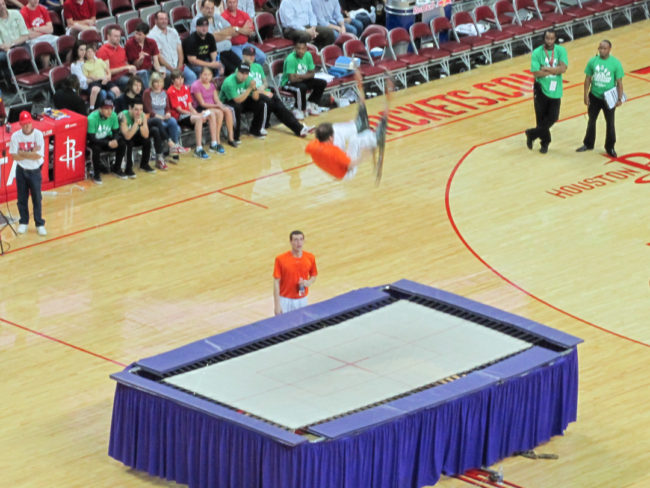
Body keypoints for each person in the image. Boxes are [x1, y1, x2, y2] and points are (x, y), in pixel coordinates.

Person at [305, 71, 389, 180]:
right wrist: (364, 156)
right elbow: (350, 165)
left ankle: (357, 126)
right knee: (355, 140)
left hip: (333, 163)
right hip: (346, 173)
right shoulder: (335, 153)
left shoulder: (312, 145)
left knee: (335, 128)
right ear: (330, 138)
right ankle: (375, 139)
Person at [241, 46, 313, 138]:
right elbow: (246, 88)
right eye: (249, 55)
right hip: (251, 95)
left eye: (253, 55)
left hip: (263, 92)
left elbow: (265, 82)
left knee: (278, 104)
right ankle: (260, 127)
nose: (252, 57)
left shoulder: (258, 66)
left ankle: (299, 129)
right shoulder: (241, 69)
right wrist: (262, 91)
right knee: (272, 101)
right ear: (243, 56)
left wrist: (263, 87)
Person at [575, 40, 624, 158]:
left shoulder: (615, 63)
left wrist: (619, 98)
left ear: (610, 49)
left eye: (604, 48)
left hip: (609, 98)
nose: (601, 50)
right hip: (595, 96)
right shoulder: (592, 61)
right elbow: (587, 79)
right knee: (591, 121)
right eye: (600, 48)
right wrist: (585, 95)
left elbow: (619, 83)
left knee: (610, 123)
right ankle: (588, 144)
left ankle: (610, 147)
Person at [524, 29, 568, 154]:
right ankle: (545, 143)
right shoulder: (537, 53)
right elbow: (536, 72)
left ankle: (531, 133)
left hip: (555, 89)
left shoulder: (561, 50)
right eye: (547, 38)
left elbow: (563, 68)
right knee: (541, 118)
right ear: (544, 38)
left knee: (553, 117)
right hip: (541, 88)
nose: (549, 41)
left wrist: (547, 69)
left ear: (555, 39)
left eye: (552, 38)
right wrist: (555, 70)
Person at [167, 68, 219, 159]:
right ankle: (198, 149)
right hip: (180, 117)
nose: (181, 81)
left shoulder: (186, 88)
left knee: (211, 114)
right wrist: (197, 115)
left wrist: (197, 113)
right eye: (178, 79)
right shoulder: (171, 91)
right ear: (173, 80)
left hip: (189, 115)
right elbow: (179, 110)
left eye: (182, 78)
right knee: (199, 118)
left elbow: (190, 106)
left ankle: (214, 143)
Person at [10, 111, 47, 236]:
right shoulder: (15, 136)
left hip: (35, 171)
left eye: (29, 123)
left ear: (32, 122)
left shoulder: (38, 135)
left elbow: (38, 155)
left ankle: (39, 224)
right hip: (21, 171)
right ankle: (24, 222)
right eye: (24, 124)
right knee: (22, 198)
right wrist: (31, 152)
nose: (27, 126)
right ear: (20, 124)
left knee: (37, 198)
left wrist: (24, 153)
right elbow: (15, 157)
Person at [143, 71, 190, 165]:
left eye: (160, 82)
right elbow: (148, 110)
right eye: (156, 82)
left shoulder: (164, 92)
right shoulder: (147, 93)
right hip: (154, 119)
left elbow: (167, 108)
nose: (159, 84)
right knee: (161, 124)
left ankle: (174, 151)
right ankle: (174, 147)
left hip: (164, 117)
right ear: (152, 83)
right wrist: (161, 117)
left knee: (172, 121)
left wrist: (168, 114)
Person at [190, 66, 235, 153]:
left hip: (213, 106)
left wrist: (221, 105)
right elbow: (202, 103)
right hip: (201, 108)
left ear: (212, 76)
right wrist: (218, 107)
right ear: (200, 75)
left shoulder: (212, 85)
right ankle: (216, 140)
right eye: (205, 75)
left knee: (227, 110)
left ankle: (231, 138)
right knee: (219, 112)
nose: (207, 77)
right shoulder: (196, 85)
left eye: (209, 75)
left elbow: (216, 99)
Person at [281, 37, 328, 120]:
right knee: (301, 87)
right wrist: (306, 75)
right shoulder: (290, 59)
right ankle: (298, 109)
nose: (301, 51)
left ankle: (310, 104)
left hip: (301, 80)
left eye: (303, 49)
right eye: (298, 48)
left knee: (322, 83)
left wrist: (300, 76)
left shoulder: (308, 55)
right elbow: (292, 79)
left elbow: (312, 74)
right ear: (295, 48)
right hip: (287, 83)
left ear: (306, 48)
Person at [190, 0, 241, 75]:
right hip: (210, 54)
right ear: (201, 8)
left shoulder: (216, 16)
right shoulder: (197, 20)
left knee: (241, 66)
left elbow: (232, 30)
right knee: (234, 71)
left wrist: (218, 34)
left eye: (212, 8)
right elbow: (209, 39)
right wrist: (225, 36)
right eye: (207, 8)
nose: (210, 11)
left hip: (226, 50)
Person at [273, 230, 317, 315]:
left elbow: (314, 275)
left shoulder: (310, 257)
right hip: (285, 299)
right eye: (296, 240)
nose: (299, 243)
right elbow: (276, 282)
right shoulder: (280, 259)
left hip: (302, 298)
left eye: (301, 239)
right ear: (291, 242)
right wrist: (277, 305)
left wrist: (308, 282)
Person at [147, 11, 197, 85]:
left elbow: (180, 50)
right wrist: (172, 69)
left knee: (192, 76)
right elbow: (159, 57)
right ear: (156, 21)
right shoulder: (151, 35)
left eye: (166, 19)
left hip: (178, 65)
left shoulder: (173, 31)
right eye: (161, 19)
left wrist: (179, 66)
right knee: (171, 79)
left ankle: (185, 94)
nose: (164, 21)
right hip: (165, 68)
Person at [219, 63, 266, 140]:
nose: (244, 76)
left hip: (242, 99)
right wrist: (249, 89)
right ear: (237, 72)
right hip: (226, 102)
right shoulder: (229, 82)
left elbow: (256, 98)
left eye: (246, 73)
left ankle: (255, 130)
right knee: (237, 108)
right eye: (242, 73)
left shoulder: (249, 79)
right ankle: (235, 136)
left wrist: (254, 89)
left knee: (260, 104)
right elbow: (237, 100)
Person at [86, 98, 125, 184]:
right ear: (100, 109)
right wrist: (108, 143)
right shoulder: (92, 118)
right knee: (95, 149)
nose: (109, 111)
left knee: (122, 143)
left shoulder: (114, 115)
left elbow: (116, 132)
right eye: (106, 109)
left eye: (111, 109)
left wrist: (115, 140)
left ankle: (116, 168)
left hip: (106, 138)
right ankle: (96, 174)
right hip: (94, 141)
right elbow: (91, 138)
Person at [221, 0, 266, 65]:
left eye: (234, 2)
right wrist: (243, 29)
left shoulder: (243, 14)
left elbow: (250, 31)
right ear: (226, 3)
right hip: (233, 46)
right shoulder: (223, 16)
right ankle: (247, 73)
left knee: (262, 57)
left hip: (245, 44)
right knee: (244, 61)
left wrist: (235, 29)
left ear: (237, 3)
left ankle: (254, 72)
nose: (232, 4)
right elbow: (229, 33)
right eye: (230, 2)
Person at [119, 97, 155, 177]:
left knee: (147, 141)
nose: (139, 112)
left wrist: (141, 124)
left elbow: (146, 135)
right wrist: (135, 123)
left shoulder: (143, 115)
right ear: (130, 108)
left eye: (141, 109)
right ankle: (128, 168)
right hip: (123, 137)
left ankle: (144, 165)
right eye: (136, 109)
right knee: (129, 142)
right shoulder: (122, 116)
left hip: (134, 135)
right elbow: (127, 136)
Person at [20, 0, 57, 68]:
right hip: (33, 40)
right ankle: (47, 71)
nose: (36, 0)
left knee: (64, 41)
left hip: (47, 36)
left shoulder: (42, 8)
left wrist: (34, 28)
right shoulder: (23, 12)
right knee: (44, 48)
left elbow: (51, 30)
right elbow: (29, 34)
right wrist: (45, 30)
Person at [82, 43, 120, 108]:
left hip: (105, 79)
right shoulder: (85, 65)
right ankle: (91, 108)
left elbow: (108, 71)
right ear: (85, 54)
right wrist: (92, 77)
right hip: (96, 81)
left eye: (91, 51)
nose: (90, 53)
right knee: (94, 90)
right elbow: (86, 76)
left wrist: (108, 78)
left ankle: (118, 107)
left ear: (94, 52)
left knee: (116, 90)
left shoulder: (100, 61)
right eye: (88, 52)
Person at [0, 0, 29, 80]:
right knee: (2, 57)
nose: (2, 7)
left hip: (21, 44)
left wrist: (11, 44)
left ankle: (27, 76)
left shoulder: (16, 14)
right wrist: (8, 49)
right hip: (4, 50)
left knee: (25, 52)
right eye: (0, 5)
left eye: (3, 4)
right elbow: (1, 45)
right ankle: (11, 82)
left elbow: (25, 36)